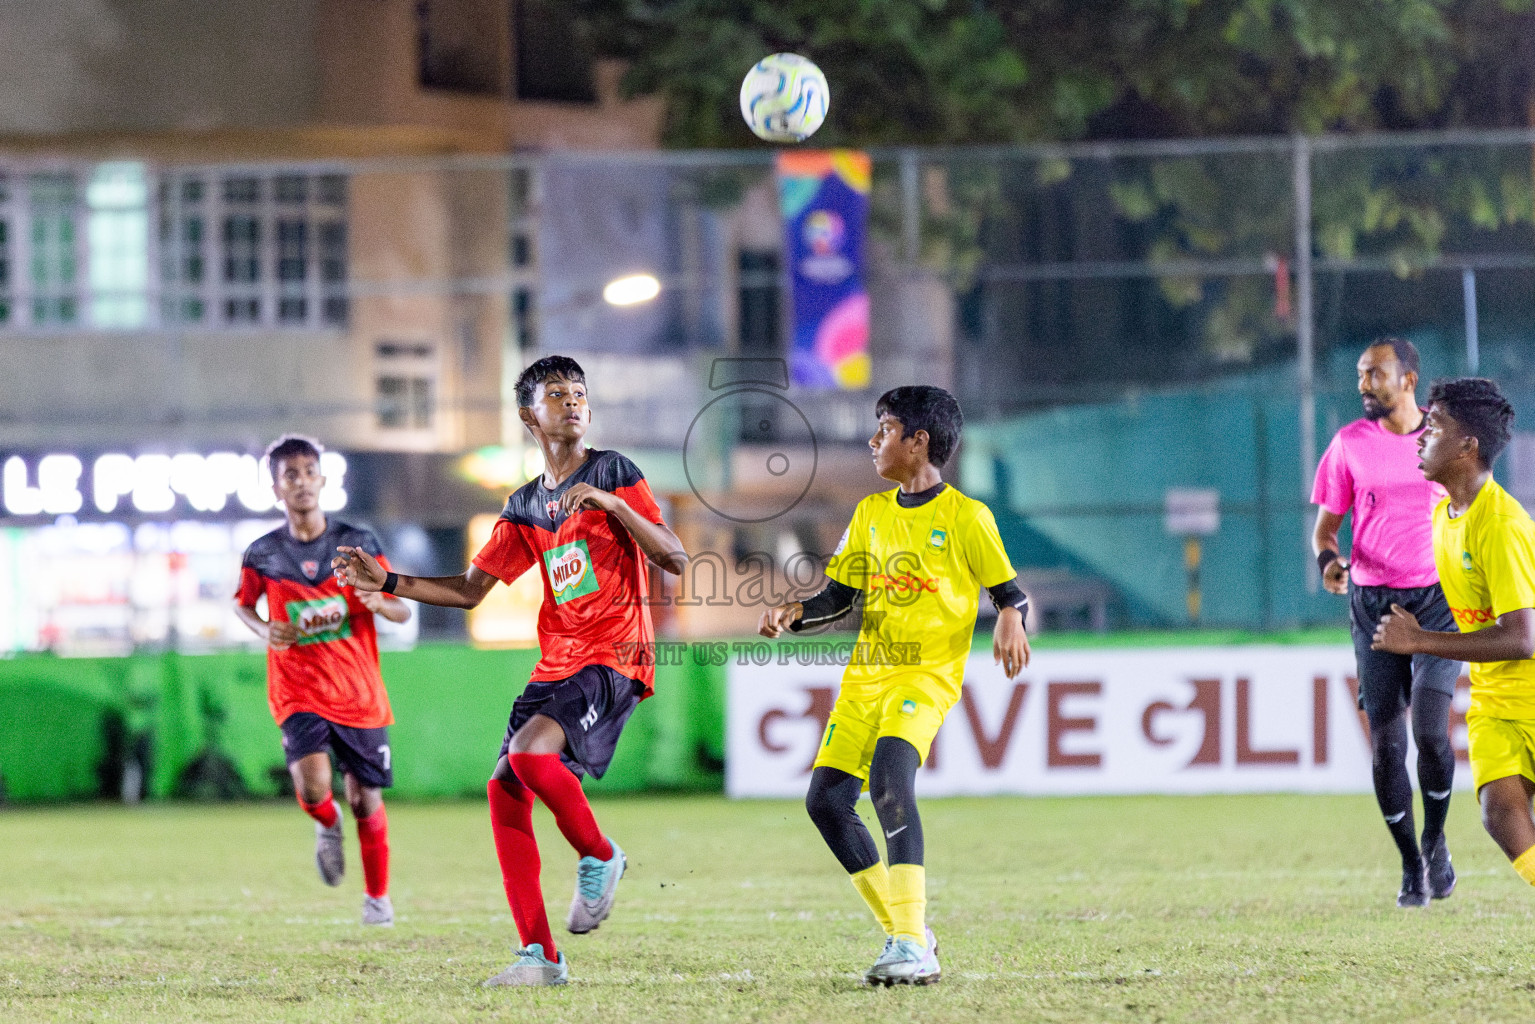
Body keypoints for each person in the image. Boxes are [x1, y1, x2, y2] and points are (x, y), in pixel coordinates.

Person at [332, 355, 687, 988]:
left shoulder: (614, 472)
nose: (573, 402)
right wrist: (385, 579)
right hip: (558, 662)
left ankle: (601, 855)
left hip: (614, 653)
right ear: (529, 415)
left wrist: (612, 504)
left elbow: (675, 556)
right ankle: (541, 957)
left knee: (527, 757)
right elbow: (470, 591)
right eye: (558, 395)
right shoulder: (526, 505)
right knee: (504, 789)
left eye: (579, 392)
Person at [758, 385, 1030, 986]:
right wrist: (794, 613)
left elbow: (1010, 592)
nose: (874, 440)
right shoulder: (871, 514)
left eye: (884, 429)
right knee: (825, 804)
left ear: (918, 442)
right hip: (864, 680)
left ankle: (909, 942)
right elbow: (839, 596)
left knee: (888, 782)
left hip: (923, 678)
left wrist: (1011, 617)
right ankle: (910, 935)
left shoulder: (966, 517)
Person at [234, 435, 412, 927]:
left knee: (365, 798)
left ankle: (377, 899)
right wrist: (265, 628)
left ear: (323, 480)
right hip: (298, 690)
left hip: (359, 693)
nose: (302, 482)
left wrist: (381, 602)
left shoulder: (359, 543)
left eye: (309, 471)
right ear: (276, 488)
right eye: (290, 474)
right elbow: (242, 605)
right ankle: (326, 824)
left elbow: (400, 606)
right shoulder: (263, 553)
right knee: (314, 789)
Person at [1310, 337, 1460, 907]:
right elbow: (1326, 531)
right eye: (1359, 374)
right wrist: (1329, 564)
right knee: (1386, 748)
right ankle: (1410, 863)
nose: (1363, 384)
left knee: (1430, 731)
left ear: (1409, 380)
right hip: (1372, 605)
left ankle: (1437, 838)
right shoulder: (1349, 444)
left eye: (1374, 373)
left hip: (1436, 602)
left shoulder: (1444, 439)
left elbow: (1474, 513)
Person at [1373, 378, 1535, 890]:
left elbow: (1521, 638)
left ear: (1468, 447)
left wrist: (1419, 641)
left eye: (1435, 426)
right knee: (1500, 814)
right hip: (1495, 703)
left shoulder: (1501, 524)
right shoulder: (1444, 514)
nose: (1421, 435)